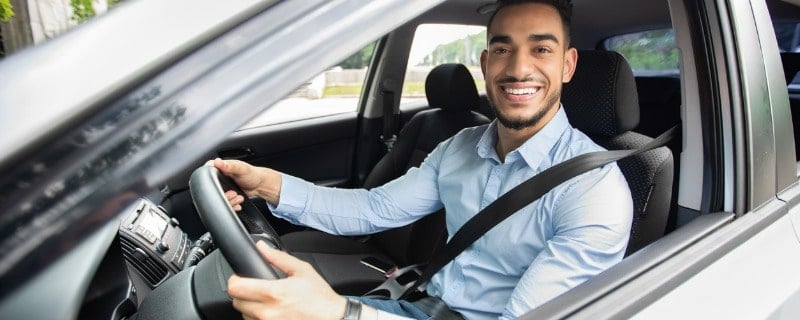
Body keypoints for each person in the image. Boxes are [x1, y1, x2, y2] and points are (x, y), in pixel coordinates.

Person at [216, 0, 633, 319]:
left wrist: (342, 313)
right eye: (503, 50)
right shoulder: (461, 147)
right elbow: (372, 208)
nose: (519, 68)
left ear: (567, 65)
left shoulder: (594, 189)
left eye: (541, 49)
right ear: (486, 64)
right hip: (420, 304)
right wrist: (266, 185)